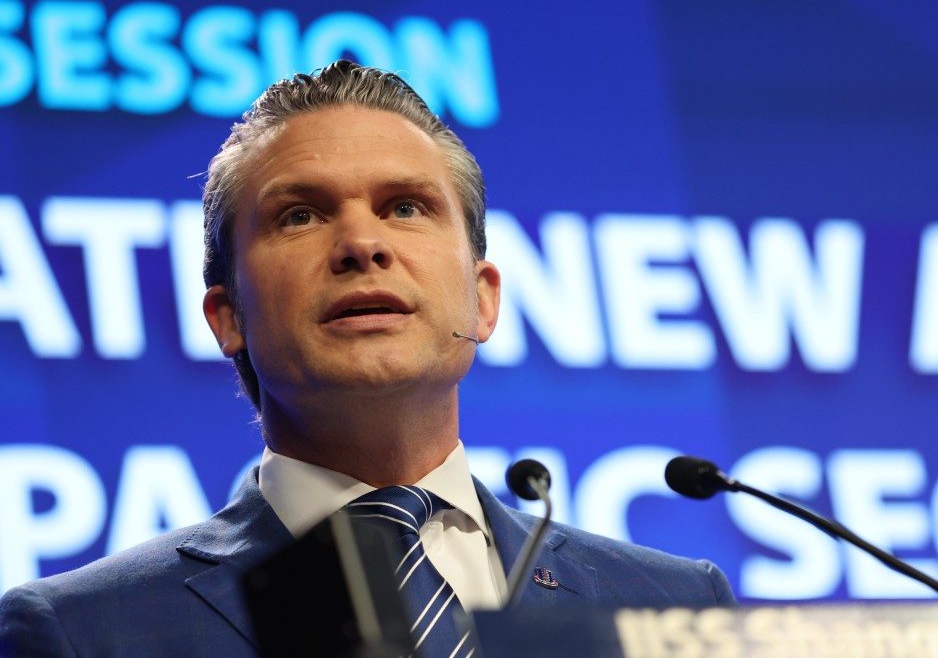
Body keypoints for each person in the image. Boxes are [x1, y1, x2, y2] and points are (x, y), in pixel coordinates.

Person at [0, 60, 734, 657]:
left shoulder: (672, 605)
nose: (362, 244)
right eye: (300, 215)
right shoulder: (81, 632)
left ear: (483, 299)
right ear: (229, 318)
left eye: (406, 207)